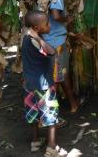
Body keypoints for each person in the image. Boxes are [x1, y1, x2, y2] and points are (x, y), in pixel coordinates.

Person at [22, 10, 67, 157]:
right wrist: (40, 39)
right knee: (51, 116)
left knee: (33, 113)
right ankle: (52, 148)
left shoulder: (25, 38)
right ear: (36, 28)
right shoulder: (35, 40)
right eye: (47, 24)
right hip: (44, 85)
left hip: (29, 84)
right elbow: (52, 52)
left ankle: (35, 142)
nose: (49, 26)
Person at [42, 0, 83, 113]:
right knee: (56, 78)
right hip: (56, 43)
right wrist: (68, 18)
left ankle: (73, 103)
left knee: (62, 75)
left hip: (48, 41)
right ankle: (48, 114)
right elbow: (56, 16)